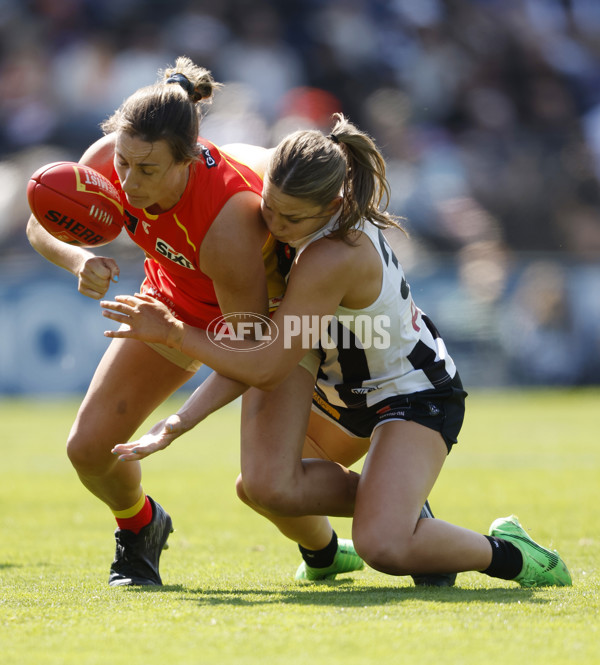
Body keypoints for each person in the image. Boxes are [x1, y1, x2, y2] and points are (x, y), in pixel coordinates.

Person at [101, 114, 572, 588]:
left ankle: (509, 552)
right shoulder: (291, 225)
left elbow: (265, 366)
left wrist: (176, 334)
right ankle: (358, 537)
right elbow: (264, 357)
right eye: (269, 208)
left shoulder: (331, 256)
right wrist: (177, 422)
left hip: (411, 396)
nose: (275, 226)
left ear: (333, 205)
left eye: (292, 218)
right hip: (342, 394)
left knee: (383, 546)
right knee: (263, 486)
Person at [26, 56, 286, 587]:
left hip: (247, 322)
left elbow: (252, 350)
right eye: (124, 163)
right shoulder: (110, 159)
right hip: (166, 302)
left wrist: (177, 419)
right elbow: (40, 221)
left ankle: (363, 535)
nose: (128, 182)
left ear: (188, 161)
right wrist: (79, 259)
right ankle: (141, 526)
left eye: (147, 170)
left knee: (273, 485)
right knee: (89, 450)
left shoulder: (229, 220)